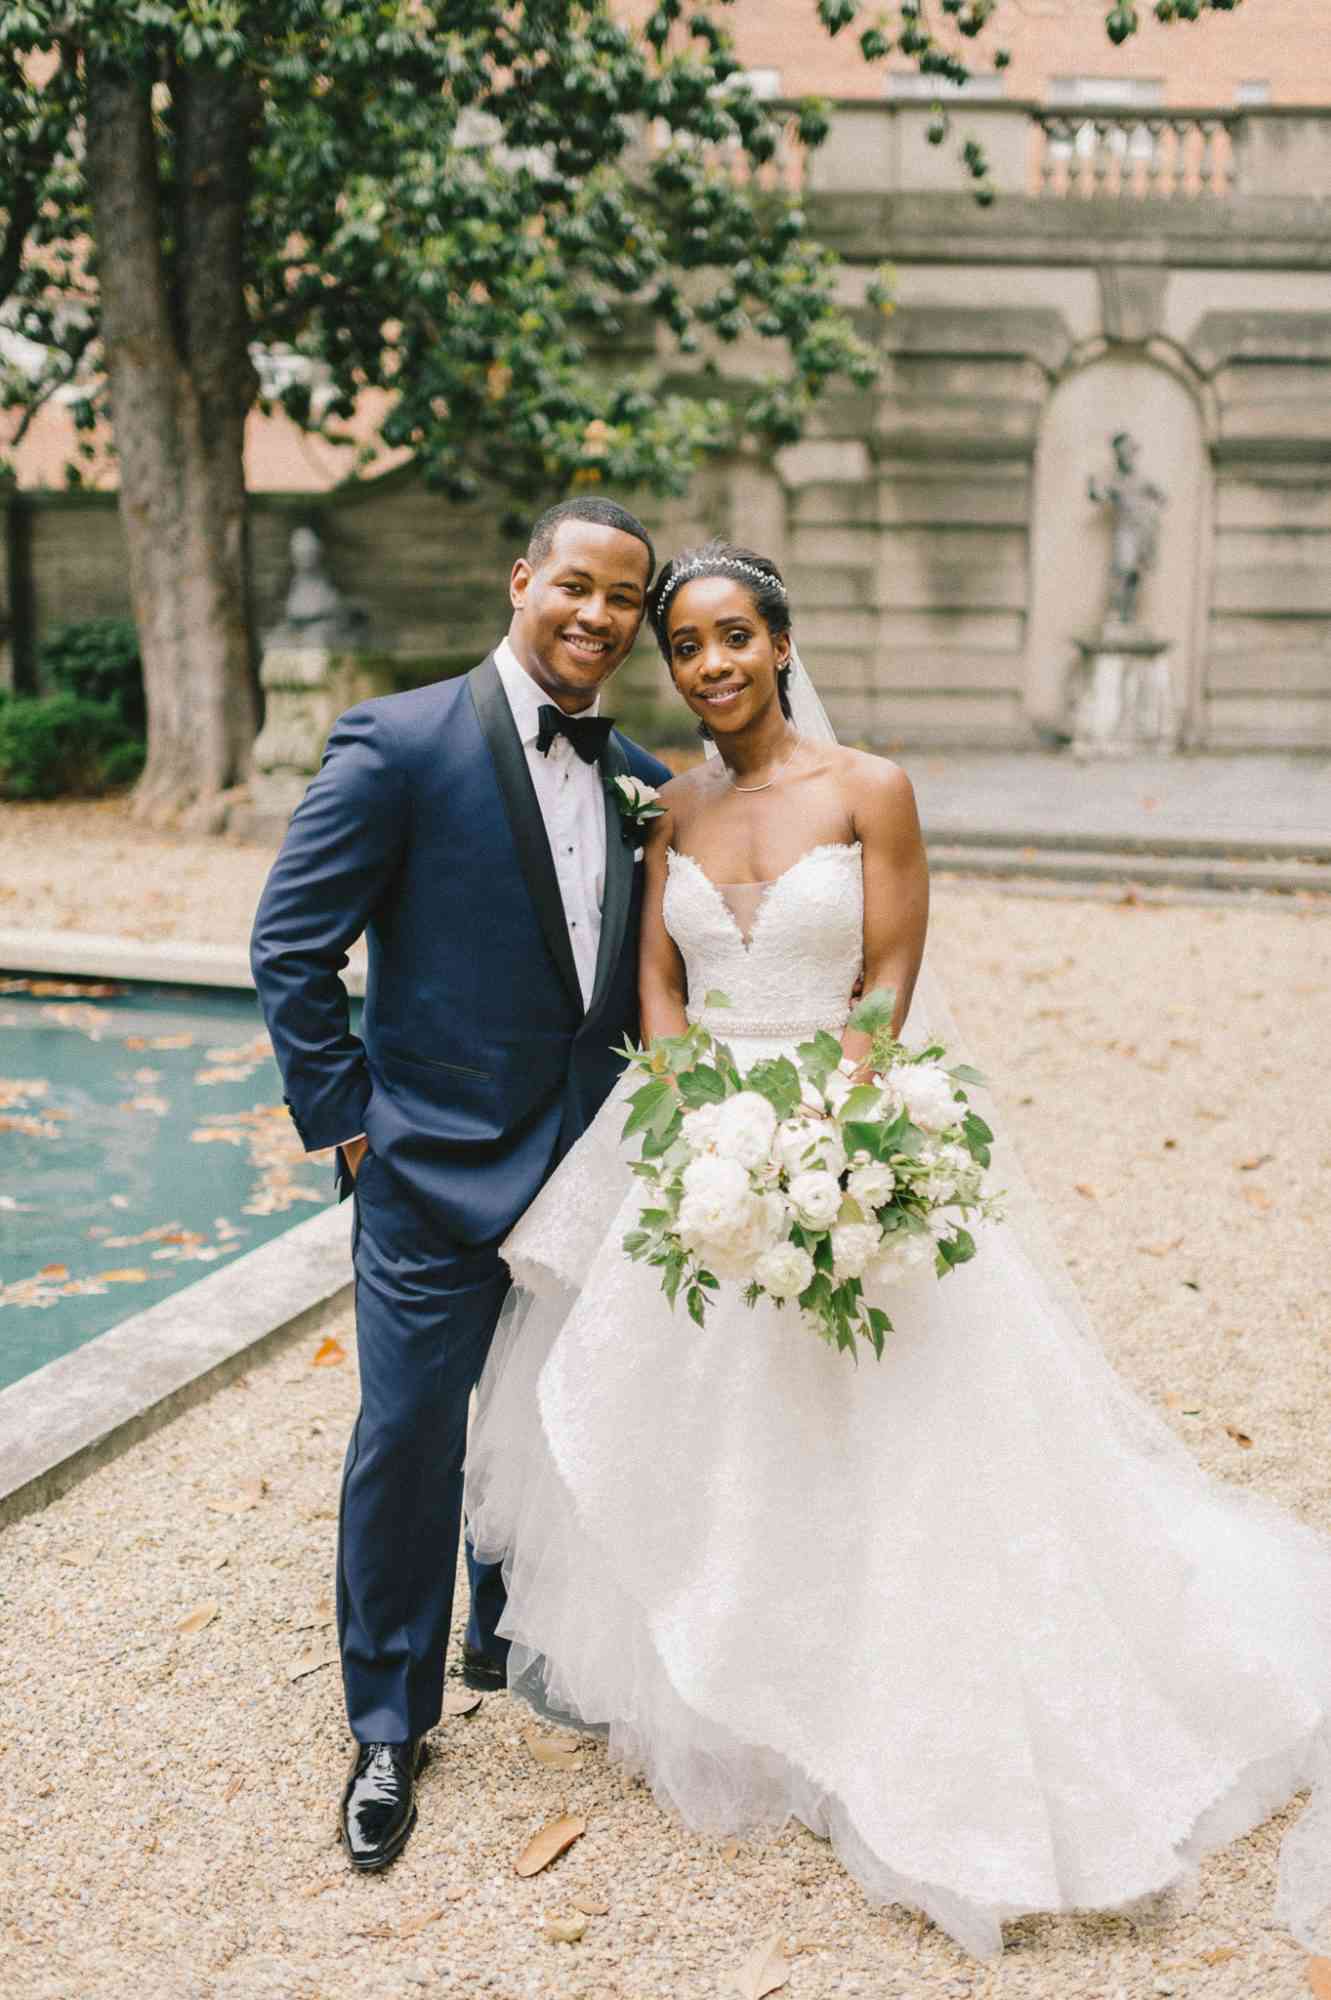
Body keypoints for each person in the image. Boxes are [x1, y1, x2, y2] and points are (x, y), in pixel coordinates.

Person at [466, 539, 1331, 1960]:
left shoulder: (873, 792)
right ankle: (735, 1680)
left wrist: (827, 1138)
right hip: (697, 1146)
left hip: (843, 1129)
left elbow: (885, 981)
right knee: (683, 1413)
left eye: (735, 635)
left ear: (782, 642)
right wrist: (697, 1129)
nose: (712, 664)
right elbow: (660, 990)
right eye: (685, 645)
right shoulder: (667, 811)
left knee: (894, 1423)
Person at [250, 497, 671, 1872]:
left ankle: (511, 1631)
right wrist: (352, 1125)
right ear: (522, 582)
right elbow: (290, 948)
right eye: (576, 587)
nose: (597, 616)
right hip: (424, 1171)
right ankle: (387, 1723)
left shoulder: (644, 775)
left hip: (581, 1174)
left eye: (623, 599)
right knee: (408, 1440)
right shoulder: (401, 739)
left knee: (553, 1419)